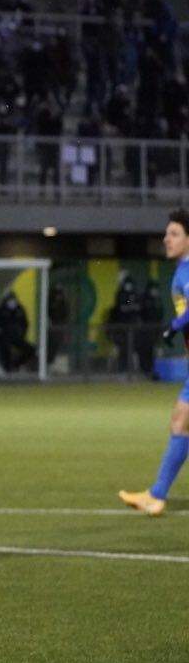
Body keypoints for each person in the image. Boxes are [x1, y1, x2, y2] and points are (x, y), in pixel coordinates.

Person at [121, 210, 189, 515]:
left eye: (174, 233)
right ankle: (156, 495)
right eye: (167, 233)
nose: (166, 238)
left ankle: (157, 495)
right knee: (180, 422)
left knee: (180, 422)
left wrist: (174, 326)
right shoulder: (181, 271)